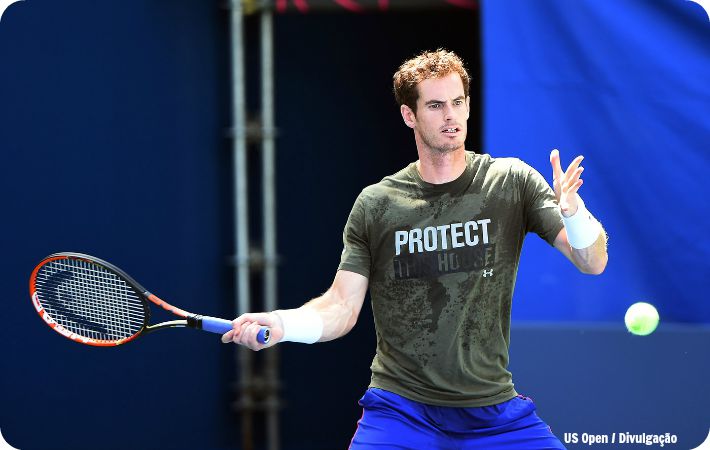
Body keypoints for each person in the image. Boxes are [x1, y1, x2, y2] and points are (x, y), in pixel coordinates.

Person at [222, 49, 608, 449]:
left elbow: (593, 262)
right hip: (401, 412)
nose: (451, 116)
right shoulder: (377, 204)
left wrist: (575, 213)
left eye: (458, 103)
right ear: (410, 116)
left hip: (495, 415)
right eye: (436, 105)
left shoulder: (511, 182)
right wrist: (285, 324)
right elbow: (341, 306)